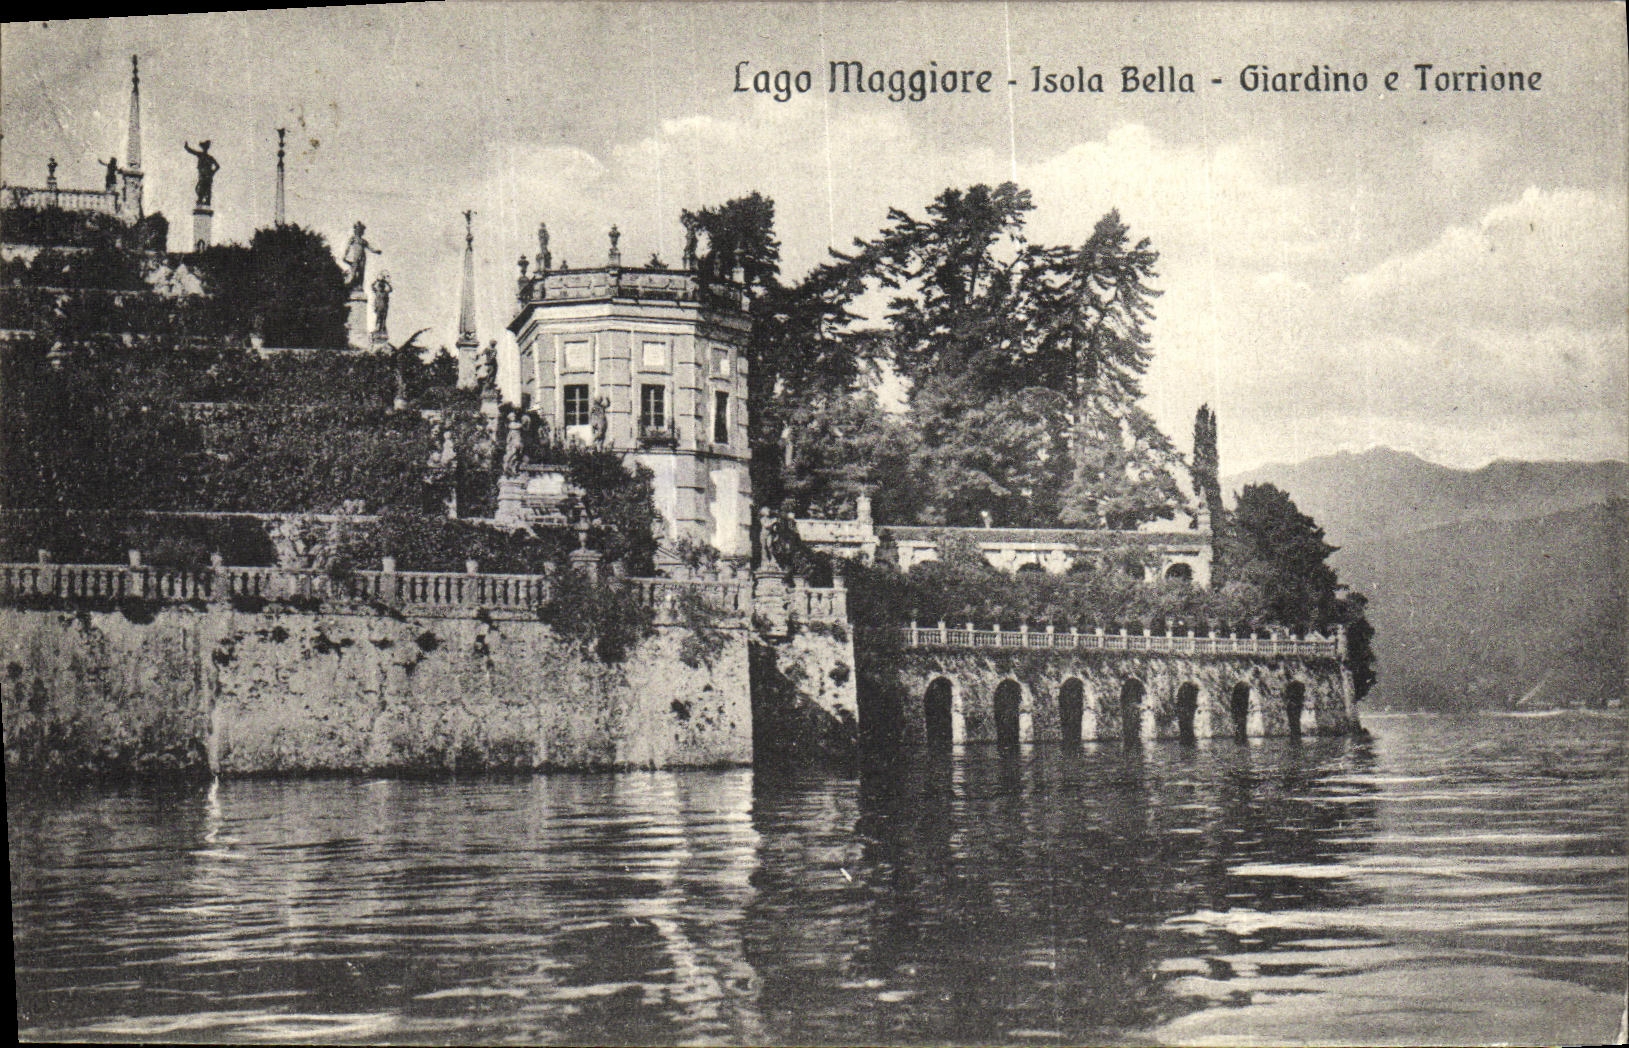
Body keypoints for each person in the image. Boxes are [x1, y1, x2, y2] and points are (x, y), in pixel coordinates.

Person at [342, 222, 380, 292]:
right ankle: (351, 285)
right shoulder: (353, 238)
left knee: (361, 271)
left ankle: (359, 286)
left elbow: (370, 248)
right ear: (355, 230)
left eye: (360, 230)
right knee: (354, 271)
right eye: (358, 229)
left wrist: (376, 251)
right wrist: (345, 255)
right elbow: (348, 247)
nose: (359, 231)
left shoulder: (363, 241)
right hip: (355, 256)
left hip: (362, 257)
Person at [183, 141, 220, 207]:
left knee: (202, 189)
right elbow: (217, 166)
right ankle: (204, 202)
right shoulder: (208, 157)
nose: (204, 149)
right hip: (205, 176)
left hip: (205, 176)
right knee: (203, 190)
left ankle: (203, 201)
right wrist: (212, 173)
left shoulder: (204, 156)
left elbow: (217, 166)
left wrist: (212, 173)